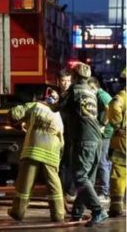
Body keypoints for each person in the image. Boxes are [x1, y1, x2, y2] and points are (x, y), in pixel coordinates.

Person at [53, 62, 108, 226]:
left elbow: (57, 107)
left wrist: (43, 104)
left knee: (79, 176)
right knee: (87, 179)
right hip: (97, 139)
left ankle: (98, 210)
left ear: (75, 77)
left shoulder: (74, 90)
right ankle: (77, 213)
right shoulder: (91, 92)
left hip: (84, 140)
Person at [6, 95, 66, 223]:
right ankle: (58, 214)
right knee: (53, 184)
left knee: (25, 183)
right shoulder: (57, 114)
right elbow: (61, 139)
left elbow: (14, 114)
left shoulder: (35, 106)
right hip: (52, 152)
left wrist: (17, 124)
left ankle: (17, 211)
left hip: (33, 150)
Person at [89, 77, 114, 201]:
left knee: (101, 162)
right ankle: (102, 191)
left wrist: (103, 125)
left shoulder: (101, 95)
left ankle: (105, 193)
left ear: (93, 87)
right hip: (104, 132)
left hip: (104, 133)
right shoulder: (101, 95)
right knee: (102, 161)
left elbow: (109, 109)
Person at [56, 69, 76, 202]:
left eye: (68, 81)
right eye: (63, 81)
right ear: (58, 81)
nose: (66, 83)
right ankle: (61, 191)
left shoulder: (72, 95)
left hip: (70, 134)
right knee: (61, 163)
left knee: (68, 163)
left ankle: (69, 191)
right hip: (60, 133)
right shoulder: (59, 95)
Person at [106, 87, 126, 217]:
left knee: (119, 169)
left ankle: (117, 206)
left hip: (123, 139)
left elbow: (114, 106)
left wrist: (118, 125)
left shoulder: (124, 95)